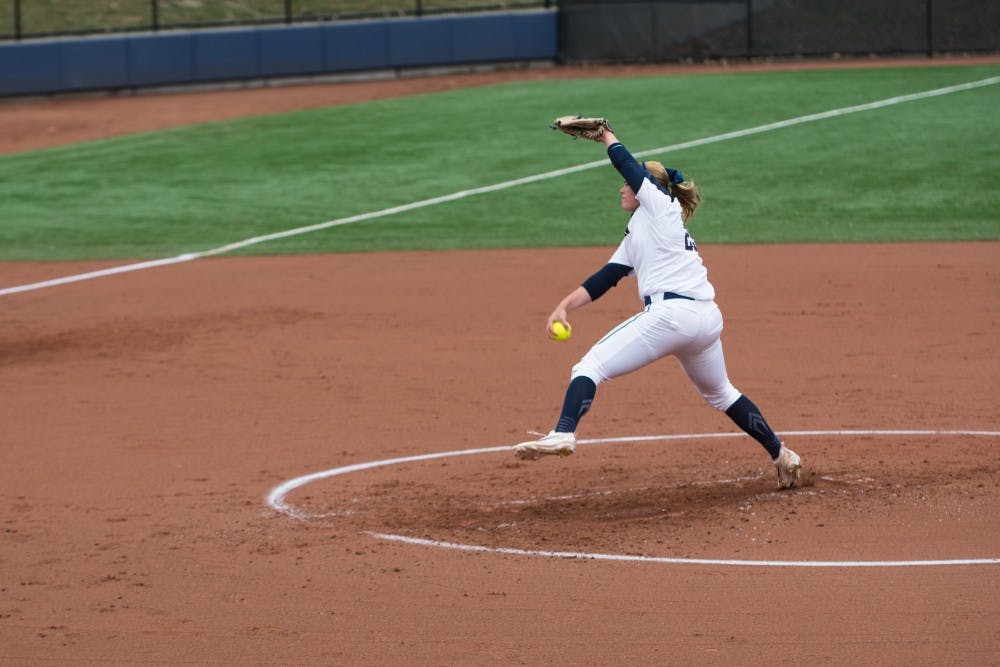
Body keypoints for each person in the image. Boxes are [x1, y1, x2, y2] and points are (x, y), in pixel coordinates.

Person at [513, 125, 802, 490]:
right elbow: (606, 277)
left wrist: (606, 135)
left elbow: (626, 165)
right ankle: (782, 455)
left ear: (643, 188)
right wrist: (564, 306)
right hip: (705, 320)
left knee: (589, 366)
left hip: (671, 317)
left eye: (627, 185)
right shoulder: (642, 228)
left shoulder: (660, 205)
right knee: (722, 393)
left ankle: (563, 433)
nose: (620, 188)